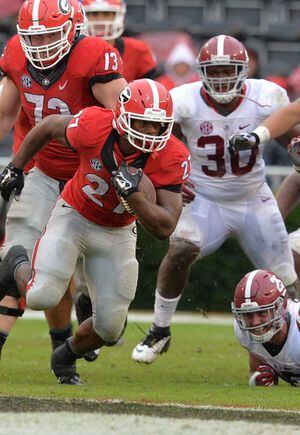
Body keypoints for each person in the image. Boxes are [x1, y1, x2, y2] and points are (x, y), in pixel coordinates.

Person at [0, 79, 191, 385]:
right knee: (41, 296)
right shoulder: (94, 124)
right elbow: (48, 126)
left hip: (118, 233)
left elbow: (165, 226)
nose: (150, 133)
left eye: (157, 125)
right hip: (73, 215)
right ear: (123, 116)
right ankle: (14, 262)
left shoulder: (172, 155)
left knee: (111, 328)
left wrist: (135, 197)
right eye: (143, 123)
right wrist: (17, 166)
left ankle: (64, 356)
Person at [131, 34, 300, 365]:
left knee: (288, 279)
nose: (221, 78)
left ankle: (289, 354)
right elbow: (161, 143)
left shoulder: (266, 96)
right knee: (181, 248)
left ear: (243, 69)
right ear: (201, 71)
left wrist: (295, 150)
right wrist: (174, 176)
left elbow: (286, 136)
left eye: (227, 70)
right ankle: (160, 329)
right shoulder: (184, 100)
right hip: (204, 197)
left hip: (253, 196)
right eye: (215, 71)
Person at [0, 0, 126, 358]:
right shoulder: (14, 54)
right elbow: (5, 115)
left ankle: (83, 313)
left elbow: (124, 121)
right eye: (33, 39)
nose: (41, 47)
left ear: (73, 29)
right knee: (23, 254)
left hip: (88, 176)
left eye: (50, 36)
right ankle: (60, 341)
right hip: (39, 169)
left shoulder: (96, 56)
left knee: (107, 314)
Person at [232, 269, 300, 387]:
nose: (255, 322)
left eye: (262, 312)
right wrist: (260, 378)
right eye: (248, 314)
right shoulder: (242, 331)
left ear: (279, 307)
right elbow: (256, 370)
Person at [82, 0, 158, 82]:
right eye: (94, 14)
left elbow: (150, 89)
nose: (100, 21)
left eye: (107, 14)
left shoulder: (138, 50)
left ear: (119, 16)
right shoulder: (74, 50)